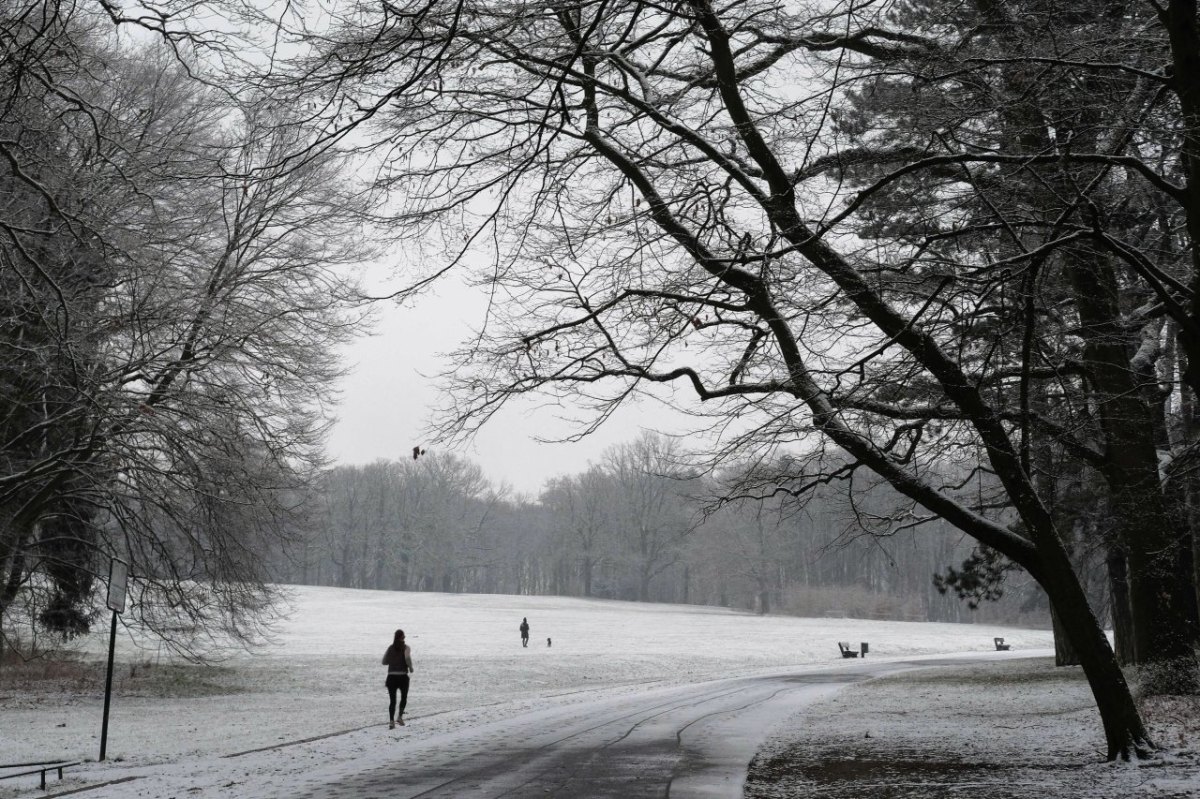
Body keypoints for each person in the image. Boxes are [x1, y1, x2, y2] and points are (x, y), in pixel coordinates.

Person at [381, 629, 413, 729]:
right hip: (403, 676)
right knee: (404, 698)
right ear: (402, 637)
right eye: (404, 636)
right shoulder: (406, 648)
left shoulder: (390, 648)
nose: (405, 638)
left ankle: (391, 721)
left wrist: (393, 661)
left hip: (391, 677)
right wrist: (410, 667)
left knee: (392, 700)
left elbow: (384, 662)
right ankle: (399, 717)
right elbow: (407, 658)